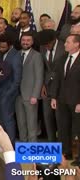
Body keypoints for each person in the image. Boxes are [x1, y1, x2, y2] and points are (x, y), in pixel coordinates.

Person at [51, 34, 80, 165]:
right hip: (62, 99)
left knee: (77, 129)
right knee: (63, 127)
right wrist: (54, 97)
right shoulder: (62, 59)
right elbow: (57, 79)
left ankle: (79, 157)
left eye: (68, 42)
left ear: (76, 44)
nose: (65, 44)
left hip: (76, 101)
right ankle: (65, 152)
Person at [15, 32, 44, 142]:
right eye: (23, 40)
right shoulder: (16, 54)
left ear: (32, 42)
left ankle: (32, 151)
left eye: (28, 40)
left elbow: (39, 77)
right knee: (21, 124)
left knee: (32, 125)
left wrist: (35, 95)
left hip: (30, 96)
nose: (25, 42)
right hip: (17, 96)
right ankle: (23, 150)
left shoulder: (36, 56)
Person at [38, 29, 65, 142]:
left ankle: (63, 145)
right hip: (47, 87)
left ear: (54, 40)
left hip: (61, 87)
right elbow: (43, 67)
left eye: (48, 44)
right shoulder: (42, 47)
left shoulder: (64, 46)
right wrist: (43, 84)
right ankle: (51, 142)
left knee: (60, 119)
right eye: (44, 45)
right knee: (48, 118)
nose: (46, 46)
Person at [0, 32, 22, 144]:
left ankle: (10, 144)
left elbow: (17, 80)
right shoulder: (2, 53)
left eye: (3, 47)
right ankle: (3, 143)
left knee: (8, 120)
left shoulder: (16, 56)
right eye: (0, 46)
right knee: (1, 119)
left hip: (9, 93)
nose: (1, 48)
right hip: (0, 91)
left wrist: (8, 94)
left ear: (10, 45)